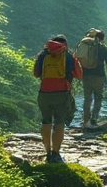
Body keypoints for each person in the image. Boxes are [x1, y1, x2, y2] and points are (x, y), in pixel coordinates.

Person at [33, 34, 81, 163]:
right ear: (65, 45)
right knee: (59, 122)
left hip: (44, 93)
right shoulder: (68, 56)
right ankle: (56, 153)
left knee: (46, 121)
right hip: (62, 93)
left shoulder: (43, 55)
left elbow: (36, 74)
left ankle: (47, 151)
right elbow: (79, 75)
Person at [76, 28, 107, 129]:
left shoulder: (85, 46)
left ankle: (86, 120)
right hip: (99, 76)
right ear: (102, 38)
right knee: (98, 97)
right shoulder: (103, 49)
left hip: (86, 76)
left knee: (87, 98)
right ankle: (94, 119)